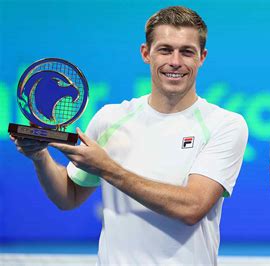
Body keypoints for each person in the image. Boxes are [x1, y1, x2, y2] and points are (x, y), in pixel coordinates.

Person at [11, 6, 248, 265]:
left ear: (202, 57)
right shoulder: (110, 118)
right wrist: (39, 156)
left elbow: (192, 207)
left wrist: (107, 168)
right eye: (165, 49)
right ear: (146, 53)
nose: (176, 62)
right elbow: (68, 197)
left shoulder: (224, 125)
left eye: (187, 52)